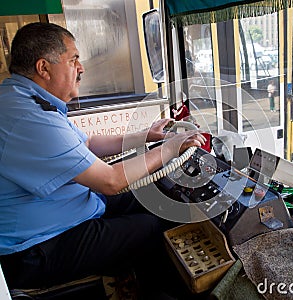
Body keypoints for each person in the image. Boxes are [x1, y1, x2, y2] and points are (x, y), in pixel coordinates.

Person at [0, 22, 206, 298]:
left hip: (69, 208)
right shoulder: (28, 118)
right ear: (43, 68)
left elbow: (87, 143)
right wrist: (169, 149)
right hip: (35, 249)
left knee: (151, 196)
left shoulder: (21, 98)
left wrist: (145, 136)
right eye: (73, 60)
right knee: (151, 228)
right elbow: (110, 181)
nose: (81, 68)